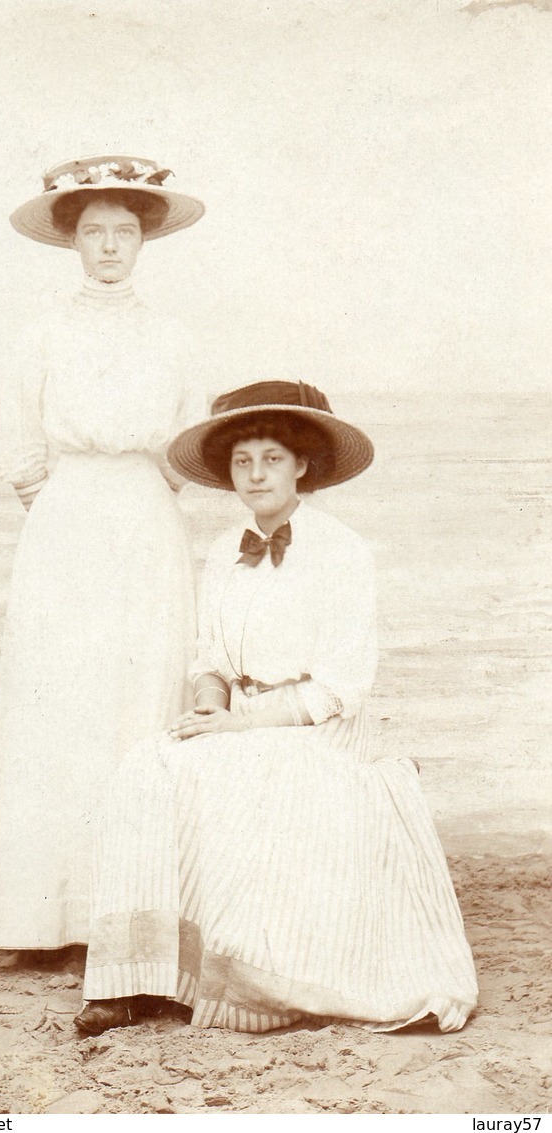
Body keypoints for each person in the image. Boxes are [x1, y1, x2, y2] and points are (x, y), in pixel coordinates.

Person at [74, 380, 479, 1035]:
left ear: (301, 466)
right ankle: (135, 981)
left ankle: (249, 983)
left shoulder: (339, 550)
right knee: (147, 765)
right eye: (242, 460)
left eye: (270, 458)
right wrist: (208, 711)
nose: (255, 473)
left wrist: (243, 723)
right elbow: (209, 658)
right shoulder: (224, 550)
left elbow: (341, 684)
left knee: (256, 774)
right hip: (238, 721)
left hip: (318, 730)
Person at [0, 155, 207, 950]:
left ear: (144, 242)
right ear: (72, 241)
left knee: (138, 695)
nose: (110, 246)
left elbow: (187, 447)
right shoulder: (41, 332)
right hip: (66, 522)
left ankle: (130, 910)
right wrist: (67, 514)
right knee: (60, 697)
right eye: (95, 231)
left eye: (126, 231)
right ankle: (42, 915)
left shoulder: (173, 335)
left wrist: (137, 497)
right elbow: (20, 449)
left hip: (144, 518)